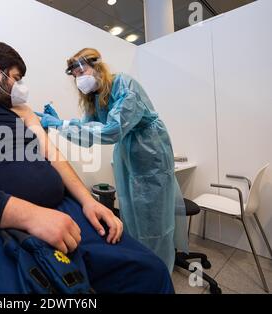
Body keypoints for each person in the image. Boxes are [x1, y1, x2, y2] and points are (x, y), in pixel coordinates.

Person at [0, 42, 174, 293]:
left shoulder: (22, 113)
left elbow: (52, 156)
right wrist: (32, 216)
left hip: (65, 210)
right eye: (17, 78)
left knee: (151, 272)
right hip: (4, 224)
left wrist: (88, 201)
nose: (21, 86)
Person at [36, 48, 188, 273]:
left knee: (153, 219)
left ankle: (158, 271)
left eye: (81, 70)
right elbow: (88, 136)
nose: (79, 78)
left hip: (150, 150)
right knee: (130, 210)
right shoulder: (94, 97)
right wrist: (60, 123)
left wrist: (62, 124)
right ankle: (141, 264)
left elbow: (112, 130)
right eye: (75, 75)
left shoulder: (124, 85)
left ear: (97, 66)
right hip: (126, 151)